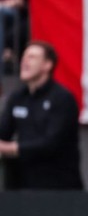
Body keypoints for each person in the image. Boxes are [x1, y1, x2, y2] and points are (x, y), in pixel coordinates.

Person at [0, 41, 83, 190]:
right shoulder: (17, 97)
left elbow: (51, 144)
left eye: (32, 57)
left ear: (47, 65)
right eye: (24, 56)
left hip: (58, 189)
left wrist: (9, 148)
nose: (24, 60)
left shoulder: (62, 98)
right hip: (21, 188)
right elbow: (3, 132)